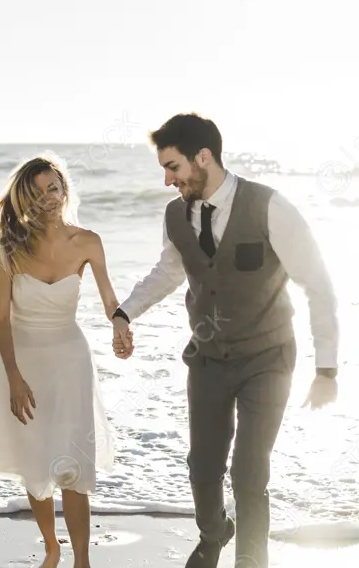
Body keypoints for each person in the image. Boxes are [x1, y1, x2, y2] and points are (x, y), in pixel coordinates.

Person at [110, 113, 340, 568]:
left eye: (172, 167)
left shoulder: (270, 206)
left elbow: (317, 283)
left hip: (267, 357)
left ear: (204, 157)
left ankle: (251, 560)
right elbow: (170, 271)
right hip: (208, 358)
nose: (167, 180)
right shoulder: (177, 213)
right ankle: (214, 533)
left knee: (249, 472)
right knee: (203, 469)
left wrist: (326, 368)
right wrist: (125, 312)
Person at [0, 154, 125, 568]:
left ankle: (83, 560)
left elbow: (109, 298)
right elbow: (2, 320)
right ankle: (51, 548)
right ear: (24, 199)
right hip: (23, 359)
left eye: (53, 189)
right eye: (36, 193)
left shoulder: (88, 241)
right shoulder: (9, 246)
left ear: (64, 190)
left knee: (75, 463)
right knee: (36, 461)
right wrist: (14, 377)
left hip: (71, 362)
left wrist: (119, 322)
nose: (48, 199)